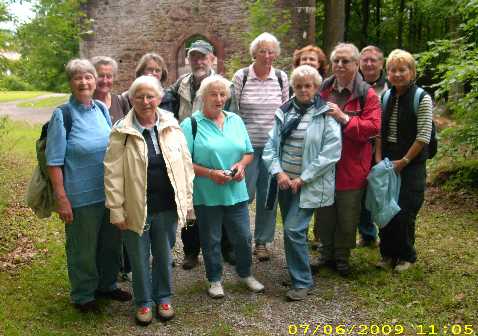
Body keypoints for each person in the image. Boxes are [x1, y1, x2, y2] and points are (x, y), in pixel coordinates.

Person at [104, 75, 194, 325]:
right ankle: (143, 302)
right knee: (139, 257)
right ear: (132, 99)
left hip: (165, 206)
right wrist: (116, 210)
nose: (145, 101)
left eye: (150, 96)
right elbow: (112, 173)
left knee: (164, 255)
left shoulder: (171, 125)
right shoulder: (122, 131)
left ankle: (163, 297)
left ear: (160, 98)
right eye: (140, 96)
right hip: (135, 207)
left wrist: (186, 202)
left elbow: (185, 165)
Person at [46, 59, 131, 313]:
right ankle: (83, 294)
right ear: (70, 83)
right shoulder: (63, 115)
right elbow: (53, 161)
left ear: (95, 81)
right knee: (82, 248)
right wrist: (61, 198)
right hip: (80, 196)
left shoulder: (101, 111)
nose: (84, 82)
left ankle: (106, 285)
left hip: (108, 193)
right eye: (77, 78)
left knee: (110, 244)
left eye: (88, 77)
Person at [180, 75, 264, 298]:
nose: (219, 99)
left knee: (244, 237)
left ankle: (245, 273)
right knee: (211, 239)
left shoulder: (235, 120)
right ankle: (214, 279)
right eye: (213, 94)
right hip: (206, 193)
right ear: (202, 96)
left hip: (236, 190)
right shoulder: (191, 125)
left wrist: (241, 165)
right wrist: (210, 173)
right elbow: (183, 161)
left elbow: (248, 152)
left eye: (222, 94)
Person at [263, 65, 341, 301]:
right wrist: (279, 173)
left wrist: (303, 178)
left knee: (293, 229)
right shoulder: (284, 112)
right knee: (292, 231)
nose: (303, 90)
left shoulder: (326, 113)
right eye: (299, 86)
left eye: (308, 86)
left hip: (307, 184)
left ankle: (302, 282)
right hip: (286, 183)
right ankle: (299, 273)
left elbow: (331, 151)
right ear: (292, 88)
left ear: (316, 87)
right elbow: (270, 147)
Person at [168, 40, 235, 270]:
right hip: (188, 148)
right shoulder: (179, 85)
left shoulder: (224, 85)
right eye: (194, 56)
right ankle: (190, 251)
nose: (198, 61)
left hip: (217, 150)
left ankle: (227, 248)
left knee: (222, 199)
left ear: (212, 59)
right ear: (188, 59)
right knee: (190, 200)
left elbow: (233, 117)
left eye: (203, 56)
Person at [315, 43, 381, 276]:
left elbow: (373, 128)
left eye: (346, 61)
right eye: (336, 61)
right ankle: (325, 252)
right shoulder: (323, 88)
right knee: (324, 209)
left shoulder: (367, 94)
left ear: (356, 64)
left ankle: (342, 257)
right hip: (324, 164)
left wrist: (344, 118)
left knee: (347, 211)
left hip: (352, 164)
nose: (340, 65)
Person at [232, 32, 289, 262]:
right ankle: (240, 240)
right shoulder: (242, 76)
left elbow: (285, 111)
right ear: (254, 53)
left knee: (268, 196)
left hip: (271, 149)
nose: (267, 55)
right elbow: (233, 114)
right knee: (243, 195)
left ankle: (262, 243)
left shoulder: (282, 78)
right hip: (246, 148)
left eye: (271, 51)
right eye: (262, 51)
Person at [375, 49, 433, 272]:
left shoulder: (422, 98)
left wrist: (405, 161)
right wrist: (379, 159)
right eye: (392, 70)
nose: (397, 74)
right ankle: (387, 253)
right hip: (387, 162)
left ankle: (406, 255)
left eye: (402, 69)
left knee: (405, 210)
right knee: (385, 208)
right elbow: (379, 131)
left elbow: (424, 136)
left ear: (412, 71)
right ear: (387, 73)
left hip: (412, 164)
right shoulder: (386, 96)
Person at [356, 45, 389, 247]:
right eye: (365, 59)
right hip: (359, 146)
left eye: (373, 60)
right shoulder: (354, 85)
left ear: (381, 63)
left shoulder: (390, 86)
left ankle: (388, 237)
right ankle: (367, 234)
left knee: (381, 192)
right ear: (359, 63)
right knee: (361, 191)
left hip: (386, 148)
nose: (369, 63)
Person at [91, 56, 125, 124]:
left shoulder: (121, 102)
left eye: (109, 76)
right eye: (100, 76)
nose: (105, 81)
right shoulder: (84, 104)